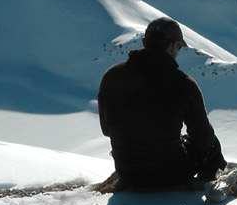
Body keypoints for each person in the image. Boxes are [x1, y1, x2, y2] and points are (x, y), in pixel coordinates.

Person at [97, 17, 227, 189]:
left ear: (144, 43)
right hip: (169, 174)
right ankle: (213, 183)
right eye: (179, 47)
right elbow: (203, 136)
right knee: (211, 142)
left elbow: (106, 130)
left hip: (127, 171)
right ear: (173, 46)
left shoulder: (111, 76)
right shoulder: (183, 83)